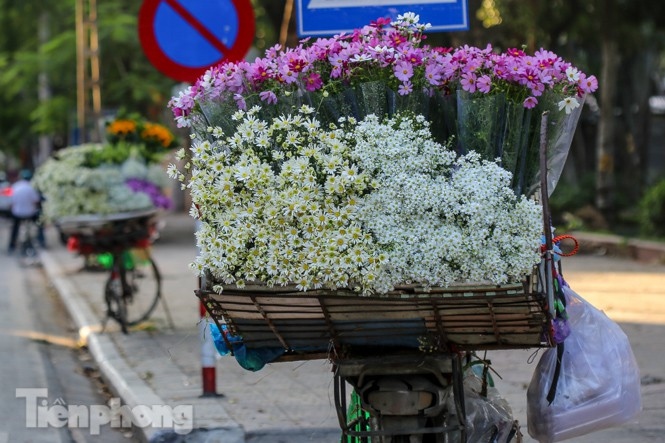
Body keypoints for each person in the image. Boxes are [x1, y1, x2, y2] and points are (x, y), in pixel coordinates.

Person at [7, 169, 44, 253]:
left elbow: (10, 203)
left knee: (15, 229)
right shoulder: (32, 187)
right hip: (30, 213)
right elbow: (36, 202)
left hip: (17, 213)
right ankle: (42, 241)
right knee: (39, 224)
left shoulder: (15, 186)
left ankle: (11, 246)